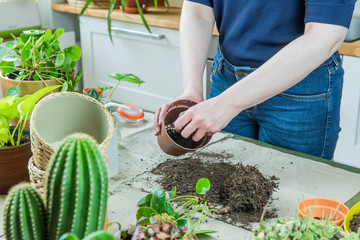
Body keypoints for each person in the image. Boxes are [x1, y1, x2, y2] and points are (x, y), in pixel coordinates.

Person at [154, 0, 356, 160]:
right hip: (226, 78)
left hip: (301, 92)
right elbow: (199, 9)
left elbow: (325, 36)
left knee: (293, 197)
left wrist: (225, 104)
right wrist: (192, 89)